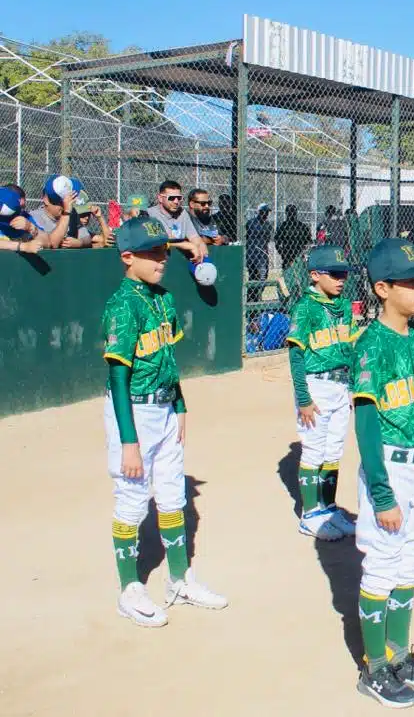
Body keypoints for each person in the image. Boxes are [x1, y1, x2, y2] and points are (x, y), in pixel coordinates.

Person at [101, 217, 228, 627]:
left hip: (165, 407)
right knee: (133, 497)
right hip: (133, 411)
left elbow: (168, 362)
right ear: (127, 257)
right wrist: (128, 441)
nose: (161, 259)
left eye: (164, 251)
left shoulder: (164, 299)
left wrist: (180, 404)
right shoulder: (122, 306)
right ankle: (129, 589)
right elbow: (117, 376)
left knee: (172, 494)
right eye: (152, 252)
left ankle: (178, 580)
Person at [351, 238, 414, 707]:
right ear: (382, 288)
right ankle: (374, 669)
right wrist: (382, 494)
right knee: (382, 566)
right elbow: (367, 426)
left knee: (411, 562)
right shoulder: (371, 344)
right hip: (388, 466)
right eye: (410, 281)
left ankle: (398, 654)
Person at [285, 246, 358, 541]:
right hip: (316, 385)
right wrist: (303, 398)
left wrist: (353, 387)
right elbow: (295, 355)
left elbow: (351, 350)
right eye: (335, 274)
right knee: (314, 449)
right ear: (315, 275)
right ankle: (310, 514)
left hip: (341, 385)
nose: (342, 279)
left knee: (334, 450)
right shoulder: (306, 307)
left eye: (344, 274)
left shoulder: (343, 305)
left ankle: (328, 509)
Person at [146, 180, 206, 263]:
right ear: (160, 198)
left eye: (179, 198)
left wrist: (201, 248)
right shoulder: (149, 214)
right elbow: (159, 241)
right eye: (171, 198)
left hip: (179, 262)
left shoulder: (182, 213)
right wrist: (188, 245)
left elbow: (194, 237)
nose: (176, 202)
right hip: (157, 261)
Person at [30, 174, 92, 249]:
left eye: (69, 200)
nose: (68, 205)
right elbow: (52, 244)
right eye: (63, 202)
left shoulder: (72, 214)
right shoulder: (34, 218)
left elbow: (87, 238)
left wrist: (80, 243)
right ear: (46, 200)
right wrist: (66, 213)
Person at [0, 186, 46, 252]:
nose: (19, 212)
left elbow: (47, 242)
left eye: (22, 207)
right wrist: (23, 246)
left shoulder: (25, 217)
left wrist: (31, 228)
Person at [245, 204, 274, 303]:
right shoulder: (251, 223)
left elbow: (267, 239)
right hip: (252, 255)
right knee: (253, 277)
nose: (265, 214)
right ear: (259, 212)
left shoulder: (268, 225)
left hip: (262, 255)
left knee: (263, 278)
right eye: (263, 211)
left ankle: (257, 298)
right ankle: (251, 300)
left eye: (267, 212)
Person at [275, 204, 312, 270]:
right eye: (290, 212)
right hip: (291, 254)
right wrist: (282, 253)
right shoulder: (283, 226)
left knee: (290, 274)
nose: (291, 214)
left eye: (292, 212)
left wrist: (282, 253)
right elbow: (277, 243)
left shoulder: (283, 226)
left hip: (295, 254)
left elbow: (308, 241)